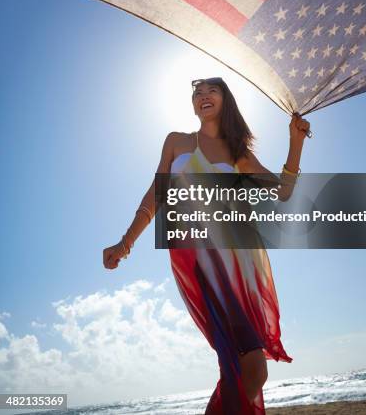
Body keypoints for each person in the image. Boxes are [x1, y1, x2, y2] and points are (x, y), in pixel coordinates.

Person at [103, 77, 310, 414]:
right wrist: (126, 243)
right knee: (252, 364)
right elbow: (156, 195)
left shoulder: (237, 153)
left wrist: (296, 142)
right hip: (200, 261)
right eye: (197, 93)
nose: (202, 96)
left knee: (244, 370)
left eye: (210, 90)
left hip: (236, 260)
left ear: (225, 100)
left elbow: (282, 191)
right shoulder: (176, 142)